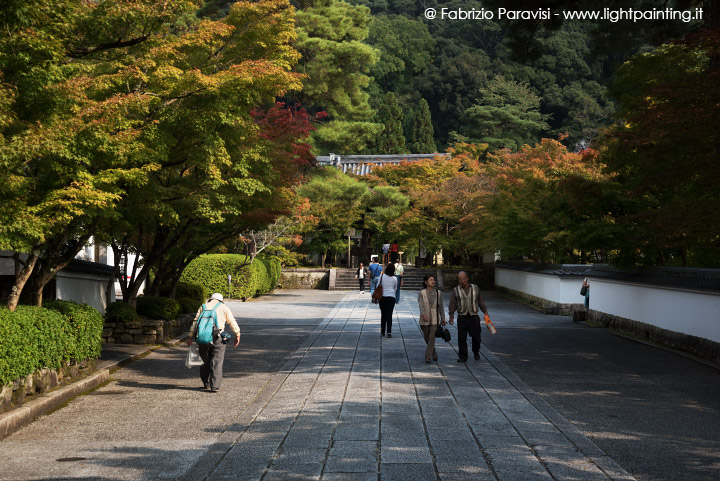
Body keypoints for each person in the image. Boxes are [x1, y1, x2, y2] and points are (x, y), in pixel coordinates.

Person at [187, 293, 240, 392]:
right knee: (217, 361)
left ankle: (206, 383)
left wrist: (190, 336)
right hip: (218, 337)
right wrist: (237, 333)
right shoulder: (224, 307)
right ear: (221, 300)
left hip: (202, 337)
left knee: (204, 360)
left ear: (211, 299)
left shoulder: (203, 306)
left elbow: (195, 321)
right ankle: (215, 386)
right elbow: (232, 321)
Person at [448, 272, 488, 363]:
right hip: (462, 317)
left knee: (476, 337)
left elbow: (481, 301)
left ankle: (475, 351)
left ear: (467, 278)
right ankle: (463, 356)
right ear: (458, 280)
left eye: (464, 278)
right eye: (460, 279)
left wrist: (485, 312)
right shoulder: (456, 290)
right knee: (461, 338)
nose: (462, 281)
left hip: (474, 317)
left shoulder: (475, 288)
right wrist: (451, 315)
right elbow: (452, 303)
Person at [418, 274, 446, 363]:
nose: (433, 281)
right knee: (427, 338)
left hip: (435, 319)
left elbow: (441, 307)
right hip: (424, 319)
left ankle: (427, 356)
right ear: (426, 282)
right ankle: (433, 353)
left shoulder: (438, 293)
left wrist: (443, 319)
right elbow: (421, 305)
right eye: (430, 280)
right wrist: (423, 314)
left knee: (431, 338)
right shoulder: (421, 293)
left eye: (433, 280)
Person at [378, 263, 398, 337]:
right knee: (389, 314)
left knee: (383, 314)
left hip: (382, 297)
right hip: (391, 297)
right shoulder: (394, 278)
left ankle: (383, 331)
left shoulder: (381, 276)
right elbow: (395, 289)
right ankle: (389, 332)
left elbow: (378, 285)